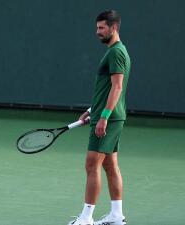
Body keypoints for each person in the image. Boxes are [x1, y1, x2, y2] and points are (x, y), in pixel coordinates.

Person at [68, 10, 131, 225]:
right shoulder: (115, 51)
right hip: (109, 115)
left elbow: (117, 87)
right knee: (110, 165)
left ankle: (86, 218)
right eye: (97, 28)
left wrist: (103, 117)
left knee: (91, 164)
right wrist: (92, 109)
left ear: (113, 28)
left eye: (101, 28)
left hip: (110, 118)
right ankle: (116, 215)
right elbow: (107, 89)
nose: (97, 32)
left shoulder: (116, 53)